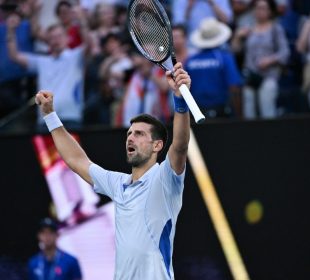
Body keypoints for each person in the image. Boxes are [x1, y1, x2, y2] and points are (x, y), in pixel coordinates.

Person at [35, 62, 191, 280]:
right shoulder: (118, 184)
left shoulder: (165, 178)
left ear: (157, 146)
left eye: (139, 134)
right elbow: (76, 160)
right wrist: (50, 115)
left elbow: (180, 146)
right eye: (129, 133)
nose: (130, 137)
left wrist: (180, 101)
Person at [6, 5, 90, 129]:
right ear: (48, 42)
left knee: (71, 149)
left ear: (67, 38)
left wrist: (82, 21)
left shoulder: (75, 56)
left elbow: (90, 45)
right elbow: (14, 56)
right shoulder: (43, 61)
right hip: (46, 120)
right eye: (52, 38)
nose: (56, 40)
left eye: (59, 36)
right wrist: (10, 30)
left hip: (71, 118)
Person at [231, 0, 290, 118]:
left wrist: (269, 60)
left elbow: (285, 52)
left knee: (267, 109)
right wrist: (237, 37)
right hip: (250, 76)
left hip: (269, 75)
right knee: (249, 113)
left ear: (270, 11)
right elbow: (234, 50)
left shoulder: (275, 29)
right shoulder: (248, 29)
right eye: (257, 8)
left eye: (263, 8)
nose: (259, 11)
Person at [185, 18, 243, 118]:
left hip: (196, 114)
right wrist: (239, 116)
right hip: (222, 113)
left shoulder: (190, 60)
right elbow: (234, 87)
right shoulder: (224, 58)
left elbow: (185, 89)